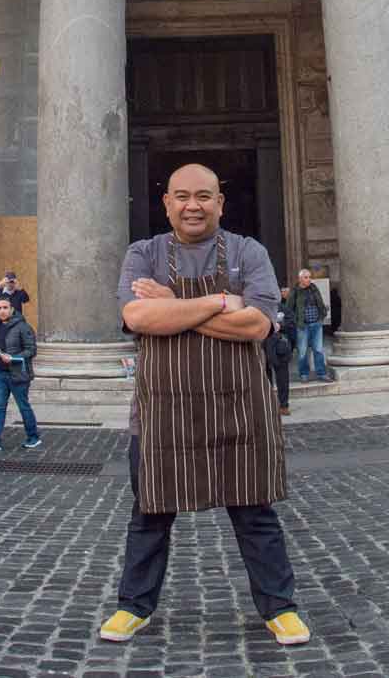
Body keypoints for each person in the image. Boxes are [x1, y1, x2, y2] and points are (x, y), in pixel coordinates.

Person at [101, 163, 305, 647]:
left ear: (220, 202)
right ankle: (133, 606)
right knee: (149, 515)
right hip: (162, 412)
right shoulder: (143, 253)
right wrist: (221, 303)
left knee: (255, 515)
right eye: (183, 197)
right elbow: (137, 315)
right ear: (167, 203)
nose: (194, 205)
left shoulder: (248, 251)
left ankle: (281, 608)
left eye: (204, 196)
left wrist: (173, 305)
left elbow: (257, 326)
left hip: (239, 407)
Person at [0, 292, 40, 451]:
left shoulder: (23, 326)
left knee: (23, 406)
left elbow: (31, 350)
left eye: (5, 307)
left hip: (18, 374)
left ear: (12, 309)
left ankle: (33, 437)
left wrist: (13, 358)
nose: (2, 311)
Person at [288, 270, 330, 382]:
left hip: (316, 324)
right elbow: (289, 309)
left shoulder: (314, 288)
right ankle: (304, 374)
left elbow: (320, 302)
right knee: (302, 351)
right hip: (302, 326)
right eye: (306, 277)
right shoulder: (295, 291)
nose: (309, 279)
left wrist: (322, 316)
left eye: (310, 277)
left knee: (318, 350)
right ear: (300, 279)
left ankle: (321, 373)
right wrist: (295, 322)